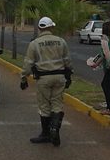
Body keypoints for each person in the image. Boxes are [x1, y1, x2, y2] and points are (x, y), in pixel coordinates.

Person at [20, 16, 72, 147]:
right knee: (57, 105)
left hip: (43, 79)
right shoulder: (61, 41)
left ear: (39, 28)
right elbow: (67, 61)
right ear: (51, 27)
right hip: (60, 77)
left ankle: (46, 134)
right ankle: (55, 129)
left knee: (44, 107)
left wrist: (23, 78)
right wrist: (69, 76)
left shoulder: (35, 44)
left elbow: (28, 63)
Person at [99, 20, 110, 115]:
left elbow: (106, 53)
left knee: (106, 85)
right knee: (109, 85)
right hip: (109, 66)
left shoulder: (108, 40)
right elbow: (103, 54)